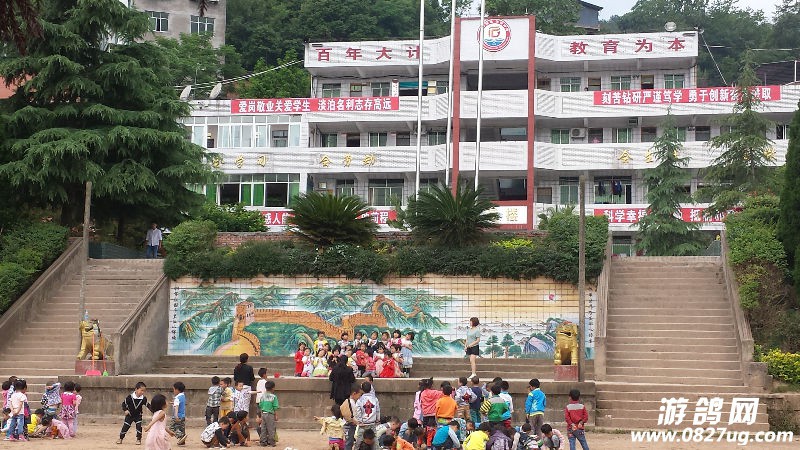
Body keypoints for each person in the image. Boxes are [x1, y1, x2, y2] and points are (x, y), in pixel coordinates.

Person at [353, 382, 380, 450]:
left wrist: (359, 421)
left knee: (359, 441)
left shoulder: (360, 400)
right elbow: (377, 410)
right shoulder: (375, 399)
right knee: (374, 440)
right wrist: (377, 420)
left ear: (362, 389)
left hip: (363, 424)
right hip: (372, 423)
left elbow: (358, 411)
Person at [258, 380, 279, 447]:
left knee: (263, 428)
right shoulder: (274, 397)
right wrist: (276, 415)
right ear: (273, 388)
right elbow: (275, 407)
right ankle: (272, 442)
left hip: (263, 413)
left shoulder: (262, 396)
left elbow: (260, 406)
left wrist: (261, 415)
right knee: (271, 428)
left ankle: (263, 442)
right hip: (270, 414)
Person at [171, 381, 187, 446]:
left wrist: (176, 415)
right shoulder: (183, 396)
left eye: (174, 389)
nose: (174, 391)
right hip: (183, 415)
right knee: (181, 428)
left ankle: (181, 436)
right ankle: (182, 441)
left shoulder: (177, 398)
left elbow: (176, 407)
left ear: (177, 389)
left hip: (177, 415)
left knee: (172, 428)